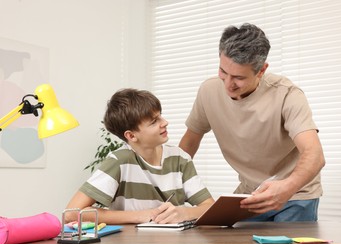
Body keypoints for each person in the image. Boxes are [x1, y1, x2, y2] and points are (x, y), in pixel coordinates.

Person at [179, 23, 325, 223]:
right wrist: (172, 184)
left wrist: (287, 187)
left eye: (238, 77)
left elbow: (315, 154)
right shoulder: (209, 91)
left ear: (261, 70)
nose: (228, 84)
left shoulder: (287, 94)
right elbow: (189, 143)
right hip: (250, 192)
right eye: (223, 71)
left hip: (295, 192)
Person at [66, 88, 214, 224]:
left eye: (160, 116)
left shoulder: (180, 158)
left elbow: (210, 207)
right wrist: (142, 215)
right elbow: (72, 213)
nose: (165, 122)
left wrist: (184, 213)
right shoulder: (120, 161)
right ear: (131, 135)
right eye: (154, 121)